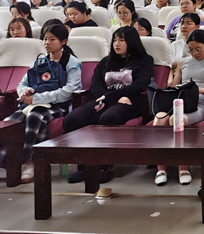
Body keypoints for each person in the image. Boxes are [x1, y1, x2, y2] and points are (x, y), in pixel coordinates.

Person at [63, 26, 154, 183]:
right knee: (73, 118)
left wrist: (111, 97)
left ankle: (105, 165)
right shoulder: (106, 61)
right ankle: (83, 165)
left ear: (132, 42)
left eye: (122, 40)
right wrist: (109, 98)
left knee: (109, 118)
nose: (117, 44)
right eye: (115, 40)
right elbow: (95, 85)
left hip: (130, 101)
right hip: (106, 100)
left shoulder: (144, 60)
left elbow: (139, 85)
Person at [0, 25, 81, 183]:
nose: (47, 43)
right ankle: (8, 162)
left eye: (52, 39)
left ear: (63, 41)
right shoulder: (40, 61)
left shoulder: (72, 63)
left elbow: (68, 91)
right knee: (11, 122)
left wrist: (38, 99)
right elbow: (22, 84)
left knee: (35, 117)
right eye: (45, 39)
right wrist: (25, 92)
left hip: (59, 106)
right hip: (32, 104)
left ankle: (30, 162)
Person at [153, 30, 204, 186]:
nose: (194, 53)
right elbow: (174, 87)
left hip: (201, 103)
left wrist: (200, 90)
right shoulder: (183, 62)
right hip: (180, 101)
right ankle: (161, 168)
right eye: (191, 50)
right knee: (159, 118)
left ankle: (183, 167)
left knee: (176, 119)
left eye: (198, 49)